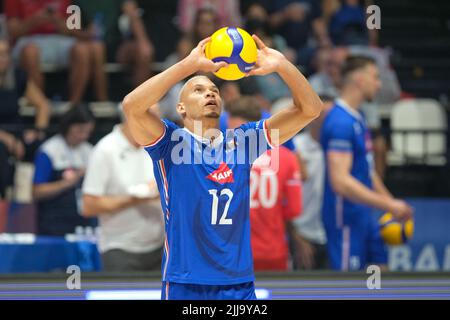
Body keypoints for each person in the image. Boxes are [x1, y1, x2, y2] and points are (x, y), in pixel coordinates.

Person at [122, 35, 322, 299]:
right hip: (186, 282)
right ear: (180, 107)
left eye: (214, 91)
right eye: (199, 90)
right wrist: (187, 66)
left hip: (238, 284)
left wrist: (283, 65)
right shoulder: (170, 143)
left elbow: (310, 109)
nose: (210, 94)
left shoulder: (244, 142)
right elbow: (132, 106)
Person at [320, 56, 413, 271]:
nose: (379, 84)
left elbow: (368, 170)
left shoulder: (358, 117)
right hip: (346, 219)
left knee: (382, 274)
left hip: (365, 214)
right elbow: (340, 182)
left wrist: (392, 205)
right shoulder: (339, 121)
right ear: (360, 80)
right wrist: (389, 205)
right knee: (348, 288)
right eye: (375, 77)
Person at [81, 105, 164, 272]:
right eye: (152, 116)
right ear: (132, 116)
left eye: (158, 117)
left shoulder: (158, 147)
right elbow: (88, 206)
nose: (158, 123)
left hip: (160, 246)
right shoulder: (105, 149)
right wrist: (134, 199)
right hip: (119, 248)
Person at [227, 96, 302, 271]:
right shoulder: (287, 157)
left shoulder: (220, 157)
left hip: (232, 253)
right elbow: (294, 210)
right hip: (273, 251)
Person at [5, 0, 93, 104]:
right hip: (27, 39)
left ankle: (73, 106)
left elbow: (72, 31)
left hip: (58, 39)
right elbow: (12, 32)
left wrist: (57, 21)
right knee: (31, 52)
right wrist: (34, 20)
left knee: (82, 50)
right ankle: (40, 104)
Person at [32, 104, 96, 236]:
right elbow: (36, 191)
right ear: (68, 126)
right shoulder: (49, 151)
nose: (83, 136)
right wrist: (67, 183)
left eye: (88, 132)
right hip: (53, 224)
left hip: (84, 224)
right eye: (80, 130)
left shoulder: (91, 151)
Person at [0, 39, 51, 198]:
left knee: (37, 144)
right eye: (0, 55)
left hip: (16, 130)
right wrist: (6, 138)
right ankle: (4, 196)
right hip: (2, 136)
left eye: (6, 54)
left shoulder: (16, 76)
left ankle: (26, 196)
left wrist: (36, 131)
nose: (4, 59)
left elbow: (43, 105)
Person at [291, 95, 335, 270]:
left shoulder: (342, 147)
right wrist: (296, 237)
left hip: (334, 234)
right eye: (322, 113)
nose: (326, 119)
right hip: (303, 234)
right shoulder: (296, 147)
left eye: (331, 114)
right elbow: (283, 197)